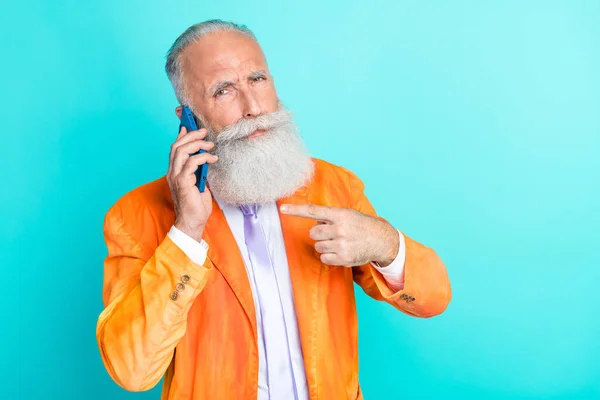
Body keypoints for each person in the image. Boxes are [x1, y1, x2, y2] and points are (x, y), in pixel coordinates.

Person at [96, 19, 452, 400]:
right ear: (189, 118)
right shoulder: (135, 215)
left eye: (258, 79)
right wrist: (185, 233)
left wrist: (385, 244)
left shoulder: (335, 186)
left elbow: (434, 299)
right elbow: (132, 372)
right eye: (224, 90)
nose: (253, 108)